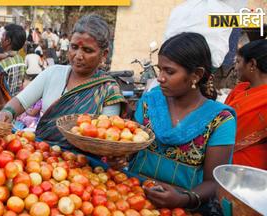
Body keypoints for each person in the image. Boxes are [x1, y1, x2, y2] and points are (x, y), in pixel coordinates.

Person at [110, 33, 236, 214]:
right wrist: (120, 158)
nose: (160, 77)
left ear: (196, 75)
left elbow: (214, 182)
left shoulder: (220, 120)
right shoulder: (149, 103)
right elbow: (132, 151)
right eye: (159, 69)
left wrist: (183, 198)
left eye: (169, 71)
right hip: (133, 199)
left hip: (183, 208)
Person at [0, 14, 127, 147]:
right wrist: (7, 113)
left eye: (87, 50)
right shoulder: (53, 73)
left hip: (85, 164)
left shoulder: (108, 90)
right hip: (43, 156)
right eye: (74, 47)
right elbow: (21, 101)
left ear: (103, 54)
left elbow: (107, 138)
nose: (78, 56)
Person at [225, 40, 267, 170]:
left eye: (238, 61)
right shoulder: (240, 89)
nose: (235, 67)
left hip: (251, 169)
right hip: (221, 159)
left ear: (252, 64)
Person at [0, 23, 27, 98]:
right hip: (14, 103)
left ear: (8, 41)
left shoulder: (1, 63)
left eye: (3, 36)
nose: (1, 38)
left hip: (2, 104)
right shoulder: (21, 60)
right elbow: (21, 84)